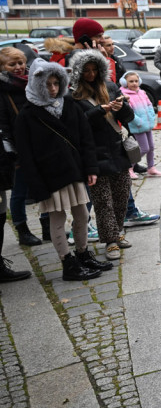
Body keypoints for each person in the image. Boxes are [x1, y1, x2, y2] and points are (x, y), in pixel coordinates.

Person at [16, 60, 109, 282]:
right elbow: (25, 155)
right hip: (50, 176)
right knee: (57, 217)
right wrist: (37, 186)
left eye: (56, 83)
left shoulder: (68, 104)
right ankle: (68, 263)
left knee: (82, 214)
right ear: (37, 84)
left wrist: (91, 168)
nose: (53, 89)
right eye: (47, 84)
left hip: (74, 170)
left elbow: (85, 138)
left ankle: (83, 254)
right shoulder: (27, 114)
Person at [70, 51, 134, 261]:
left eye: (94, 70)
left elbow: (129, 117)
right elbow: (77, 123)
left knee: (122, 196)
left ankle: (117, 231)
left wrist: (121, 107)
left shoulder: (110, 87)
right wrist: (99, 110)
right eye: (86, 70)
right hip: (94, 154)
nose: (91, 74)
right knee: (103, 201)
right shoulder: (74, 95)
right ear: (79, 73)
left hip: (117, 150)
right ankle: (110, 241)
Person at [0, 47, 49, 247]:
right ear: (2, 67)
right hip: (19, 149)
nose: (18, 67)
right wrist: (12, 152)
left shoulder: (32, 83)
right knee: (20, 191)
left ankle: (47, 225)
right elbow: (3, 124)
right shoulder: (3, 90)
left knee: (47, 186)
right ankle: (22, 230)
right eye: (12, 64)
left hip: (40, 143)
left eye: (21, 62)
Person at [120, 73, 161, 178]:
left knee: (151, 147)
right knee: (144, 148)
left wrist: (152, 116)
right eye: (131, 81)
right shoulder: (125, 95)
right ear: (125, 83)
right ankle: (130, 168)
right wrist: (138, 121)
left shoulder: (142, 92)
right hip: (138, 126)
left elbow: (149, 105)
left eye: (136, 81)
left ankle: (151, 167)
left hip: (147, 124)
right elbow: (129, 112)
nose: (134, 83)